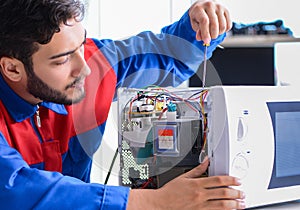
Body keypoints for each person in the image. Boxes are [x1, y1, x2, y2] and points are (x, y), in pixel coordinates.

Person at [0, 0, 245, 209]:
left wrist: (198, 24)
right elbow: (15, 188)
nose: (85, 68)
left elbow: (169, 54)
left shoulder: (94, 63)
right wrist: (155, 202)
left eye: (81, 46)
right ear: (12, 68)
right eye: (63, 60)